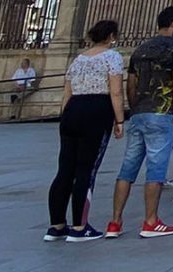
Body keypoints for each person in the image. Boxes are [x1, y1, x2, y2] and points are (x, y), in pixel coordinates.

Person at [105, 7, 173, 239]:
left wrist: (135, 107)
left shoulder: (141, 49)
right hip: (161, 113)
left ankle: (115, 222)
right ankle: (151, 221)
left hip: (139, 113)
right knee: (156, 170)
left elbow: (130, 84)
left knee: (127, 168)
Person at [45, 21, 124, 243]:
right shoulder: (112, 57)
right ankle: (80, 227)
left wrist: (64, 117)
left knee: (65, 169)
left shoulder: (78, 59)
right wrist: (120, 120)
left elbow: (66, 93)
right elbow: (116, 92)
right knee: (86, 169)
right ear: (111, 36)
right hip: (96, 110)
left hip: (72, 111)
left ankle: (56, 225)